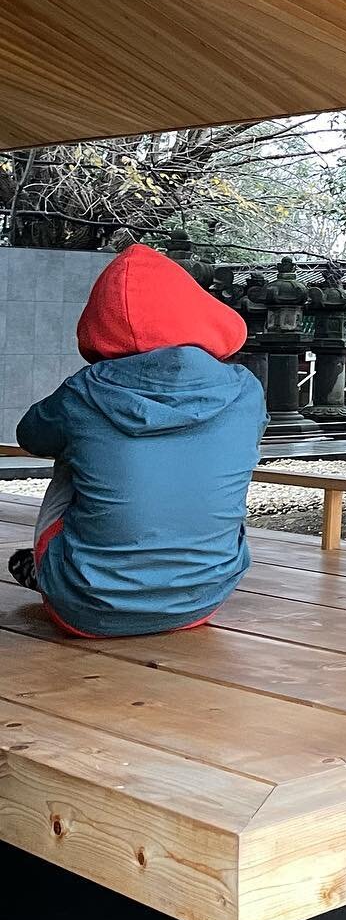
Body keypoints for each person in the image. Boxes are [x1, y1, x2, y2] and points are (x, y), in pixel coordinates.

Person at [6, 243, 265, 637]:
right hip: (204, 597)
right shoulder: (246, 392)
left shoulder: (84, 393)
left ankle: (55, 573)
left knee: (72, 455)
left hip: (87, 610)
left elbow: (30, 436)